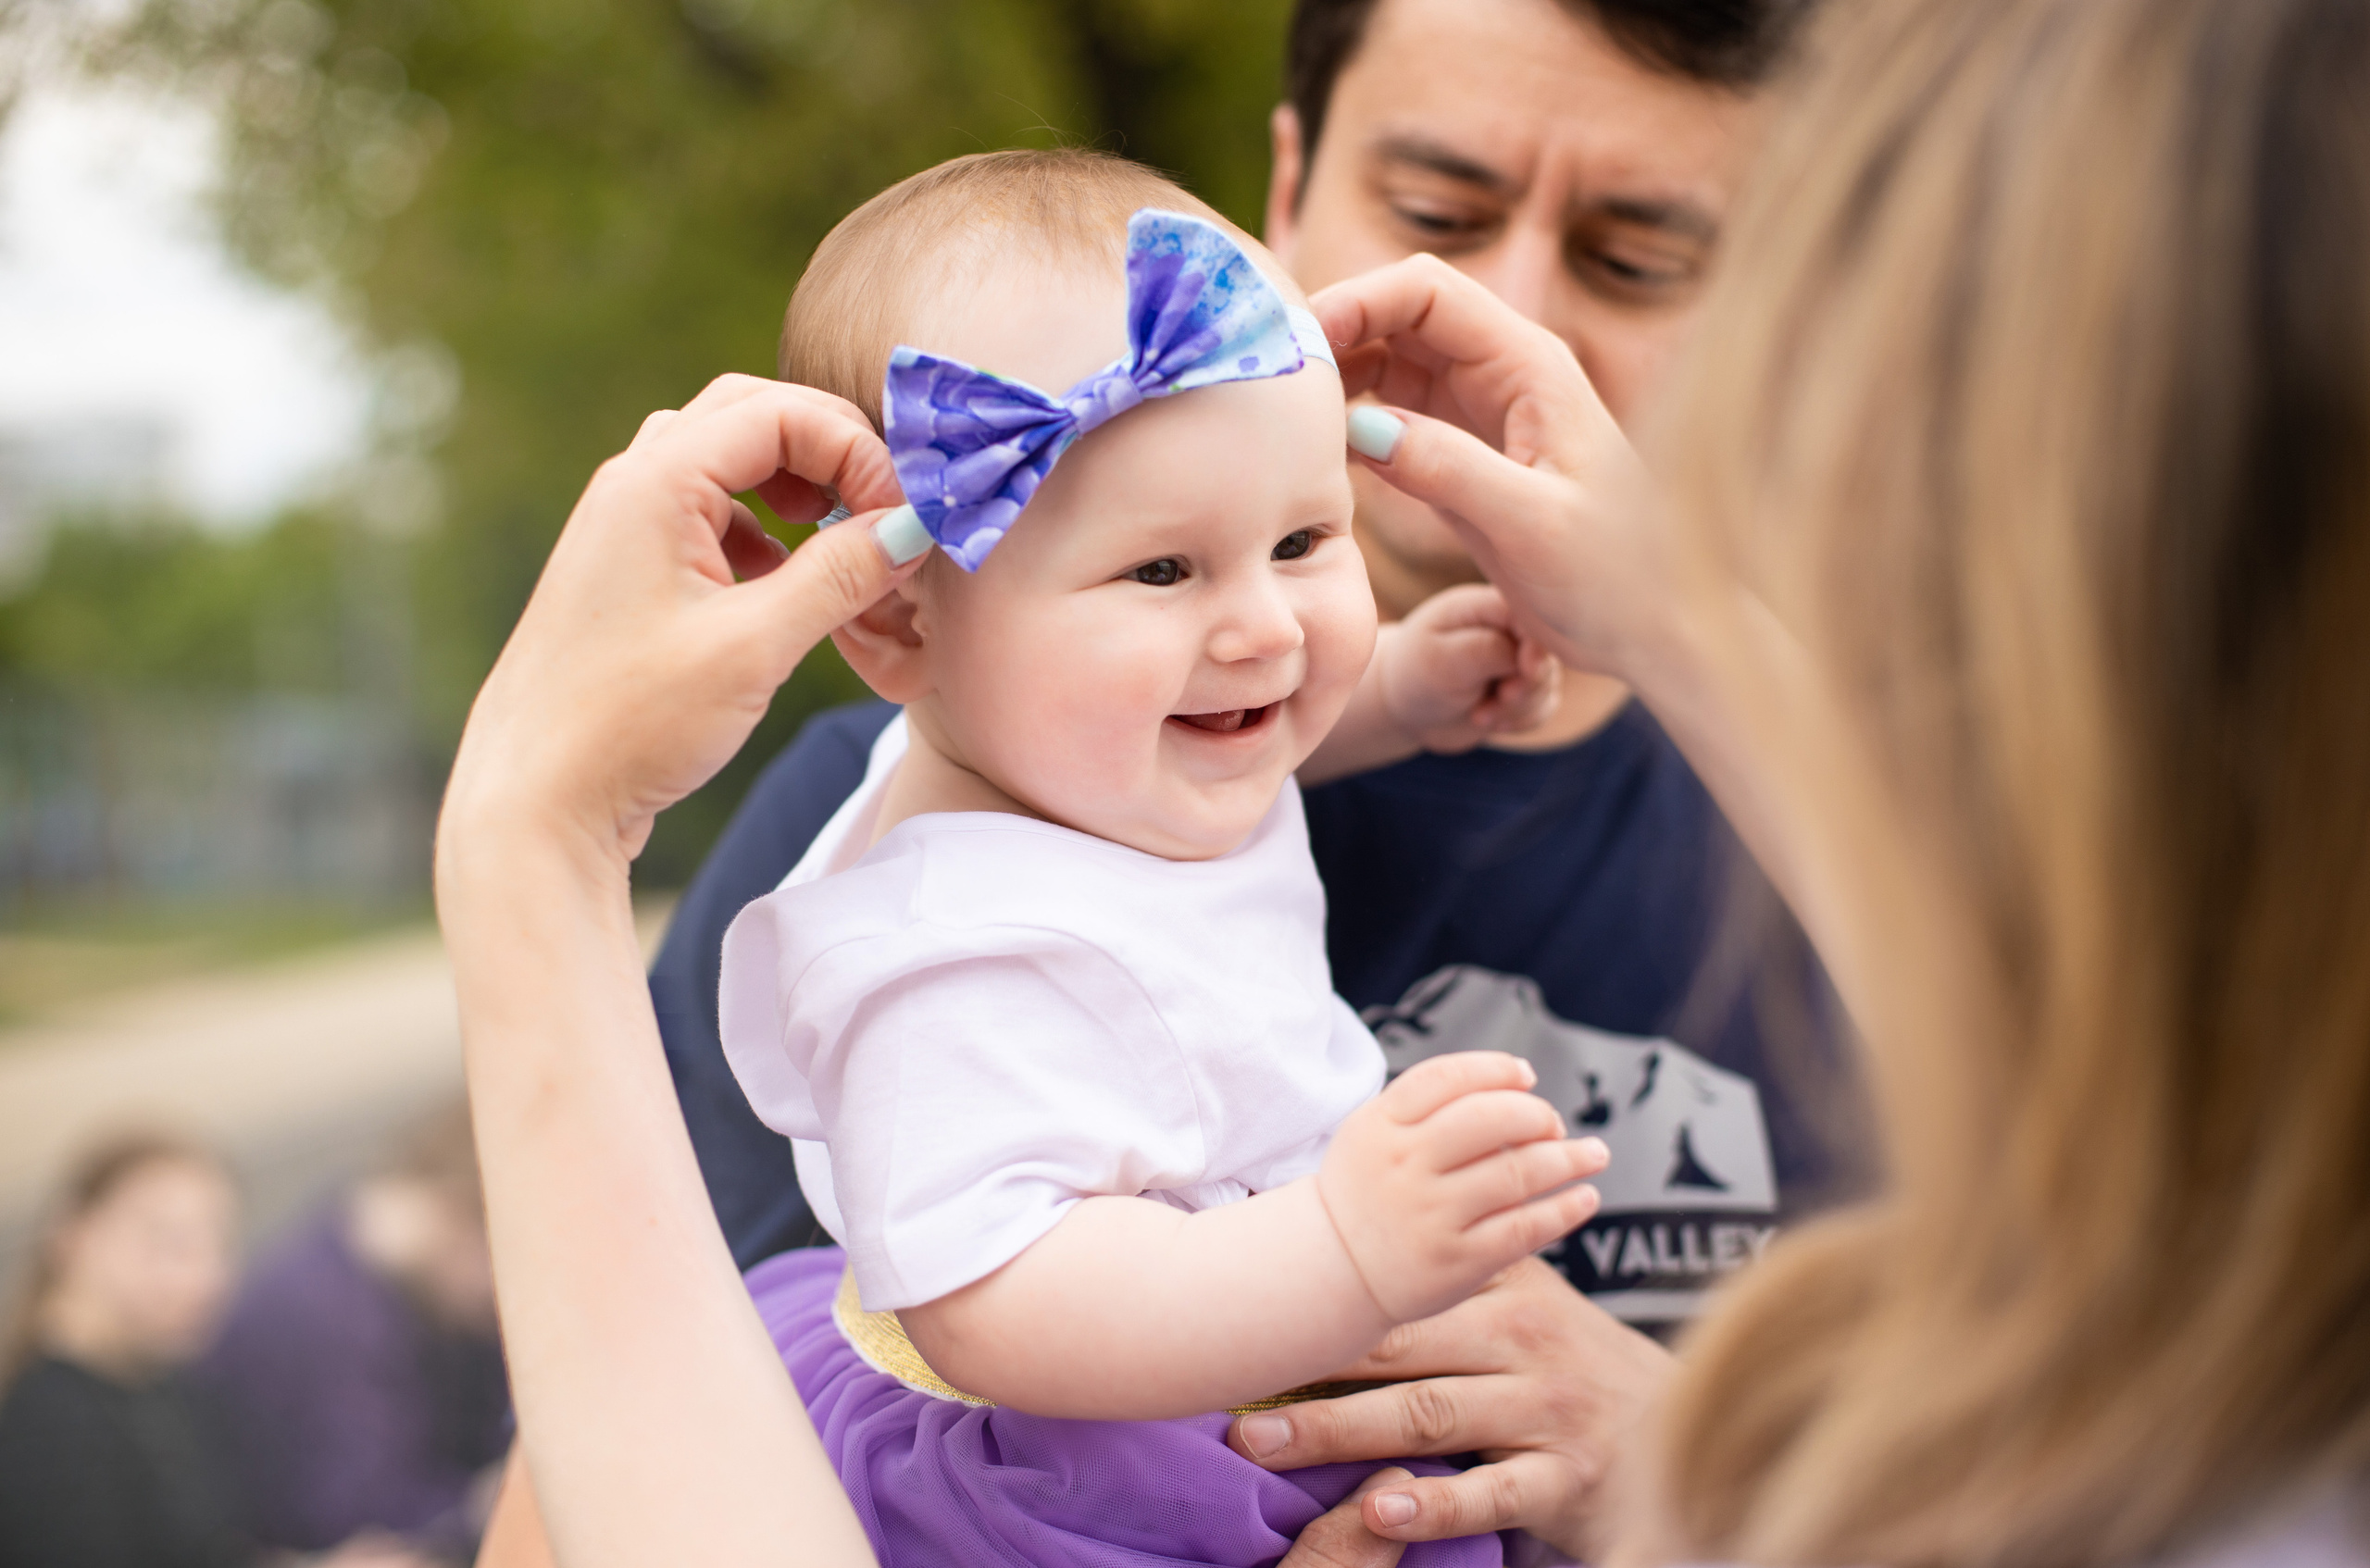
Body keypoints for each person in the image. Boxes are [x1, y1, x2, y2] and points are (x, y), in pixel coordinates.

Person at [443, 0, 2370, 1563]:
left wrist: (1690, 1468)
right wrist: (1340, 1257)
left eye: (1640, 248)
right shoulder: (920, 876)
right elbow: (630, 1473)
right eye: (1435, 203)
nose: (1267, 637)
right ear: (1282, 190)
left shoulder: (1962, 859)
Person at [722, 151, 1601, 1566]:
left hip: (1235, 1346)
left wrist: (1399, 697)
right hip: (1085, 1466)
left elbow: (1232, 745)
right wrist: (1341, 1252)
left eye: (1307, 537)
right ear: (898, 625)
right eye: (1163, 572)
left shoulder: (1060, 748)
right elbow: (996, 1299)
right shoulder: (952, 954)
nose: (1266, 629)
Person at [0, 1133, 432, 1568]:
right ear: (71, 1234)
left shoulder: (167, 1388)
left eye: (217, 1245)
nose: (205, 1277)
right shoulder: (42, 1430)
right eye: (168, 1242)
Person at [201, 1101, 508, 1563]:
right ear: (457, 1215)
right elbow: (351, 1517)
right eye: (498, 1269)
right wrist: (480, 1504)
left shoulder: (392, 1282)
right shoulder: (322, 1316)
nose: (498, 1301)